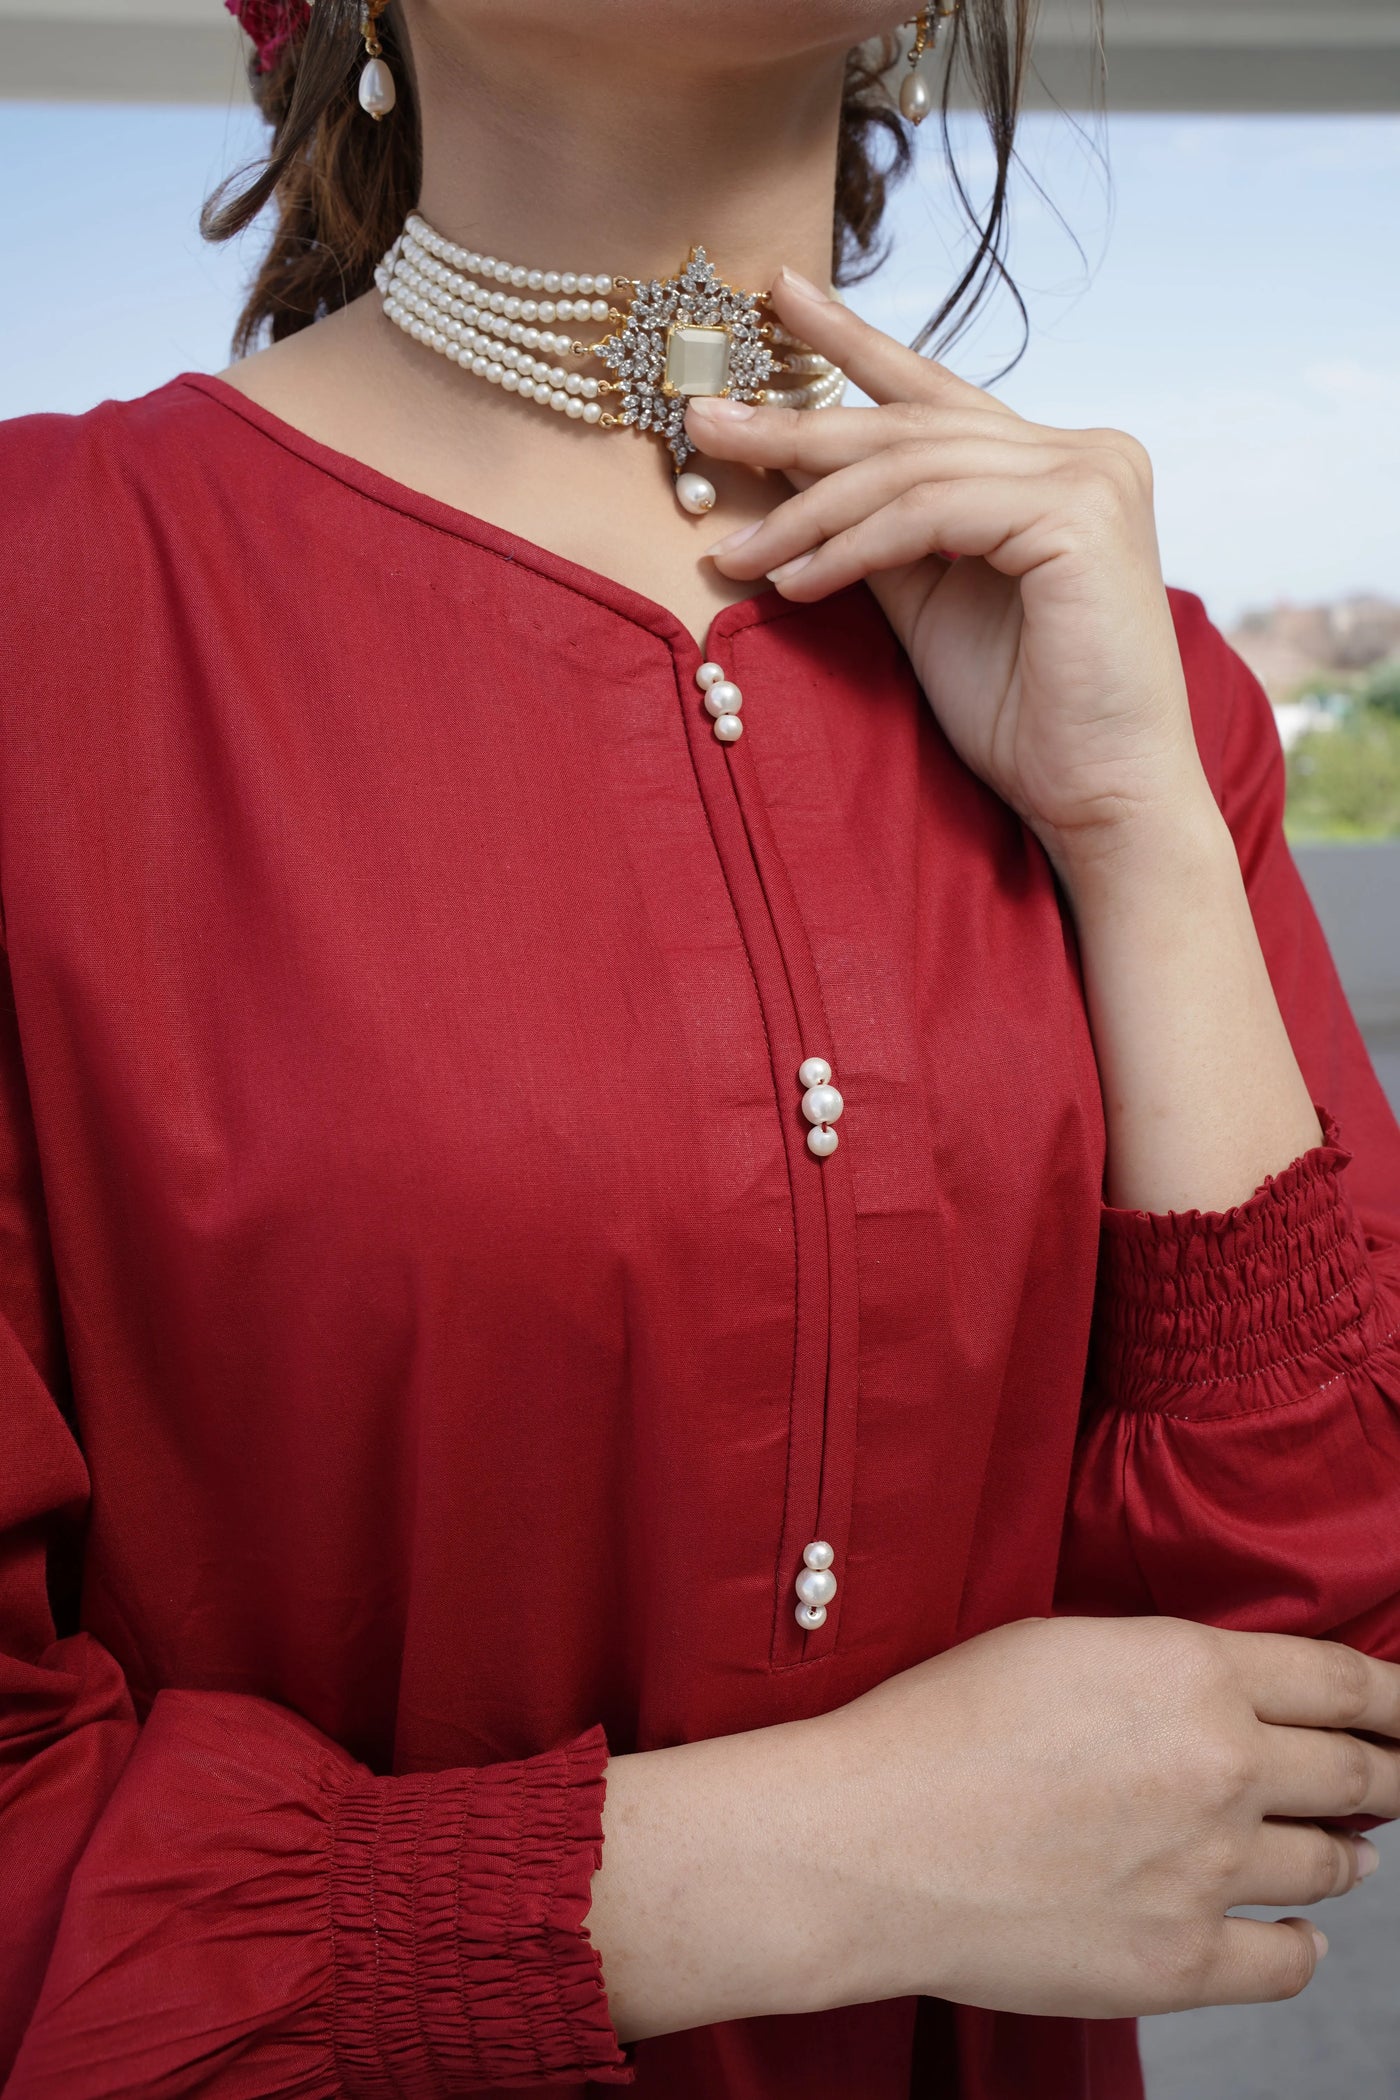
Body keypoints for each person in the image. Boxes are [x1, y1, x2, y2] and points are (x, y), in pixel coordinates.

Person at [1, 2, 1398, 2095]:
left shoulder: (1137, 682)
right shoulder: (42, 612)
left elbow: (1296, 1688)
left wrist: (1140, 839)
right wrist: (812, 1863)